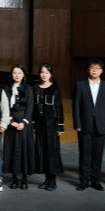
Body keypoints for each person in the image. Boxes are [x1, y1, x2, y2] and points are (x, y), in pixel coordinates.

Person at [72, 58, 105, 191]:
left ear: (101, 71)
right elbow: (76, 106)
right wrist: (77, 123)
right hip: (84, 125)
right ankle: (84, 181)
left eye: (97, 68)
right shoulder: (80, 85)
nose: (94, 70)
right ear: (88, 70)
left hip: (101, 126)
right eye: (92, 68)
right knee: (84, 155)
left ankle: (96, 181)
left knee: (98, 155)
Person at [33, 63, 64, 191]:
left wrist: (60, 127)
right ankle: (46, 179)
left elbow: (59, 108)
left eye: (47, 72)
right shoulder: (35, 88)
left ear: (51, 74)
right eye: (42, 72)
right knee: (42, 151)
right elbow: (33, 110)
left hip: (51, 124)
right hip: (40, 125)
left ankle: (52, 180)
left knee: (52, 152)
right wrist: (34, 126)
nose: (44, 75)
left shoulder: (55, 88)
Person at [3, 64, 35, 190]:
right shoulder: (6, 88)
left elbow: (30, 106)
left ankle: (24, 179)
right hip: (11, 123)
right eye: (15, 73)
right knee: (12, 150)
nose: (17, 75)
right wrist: (10, 121)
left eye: (19, 73)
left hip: (24, 123)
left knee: (24, 151)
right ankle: (14, 178)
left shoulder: (28, 88)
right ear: (11, 75)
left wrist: (24, 122)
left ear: (23, 75)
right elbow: (4, 106)